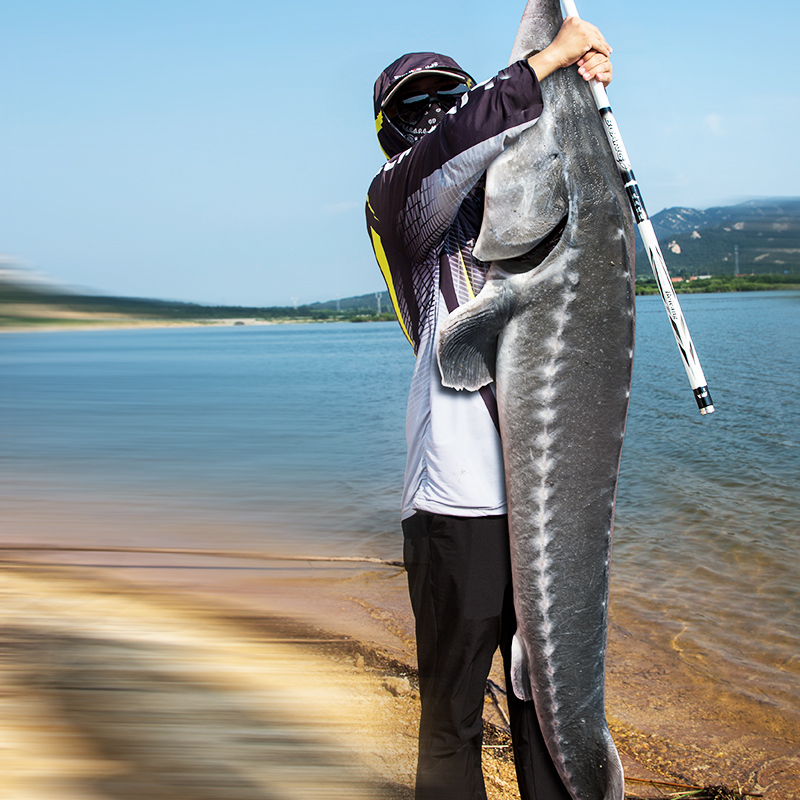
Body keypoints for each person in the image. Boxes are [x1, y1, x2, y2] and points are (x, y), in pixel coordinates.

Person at [365, 16, 613, 800]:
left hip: (546, 508)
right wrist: (545, 60)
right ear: (389, 134)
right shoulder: (399, 202)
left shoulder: (510, 196)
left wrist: (578, 86)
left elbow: (556, 159)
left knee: (546, 709)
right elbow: (456, 144)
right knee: (453, 718)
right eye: (414, 107)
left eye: (450, 96)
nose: (435, 114)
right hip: (456, 503)